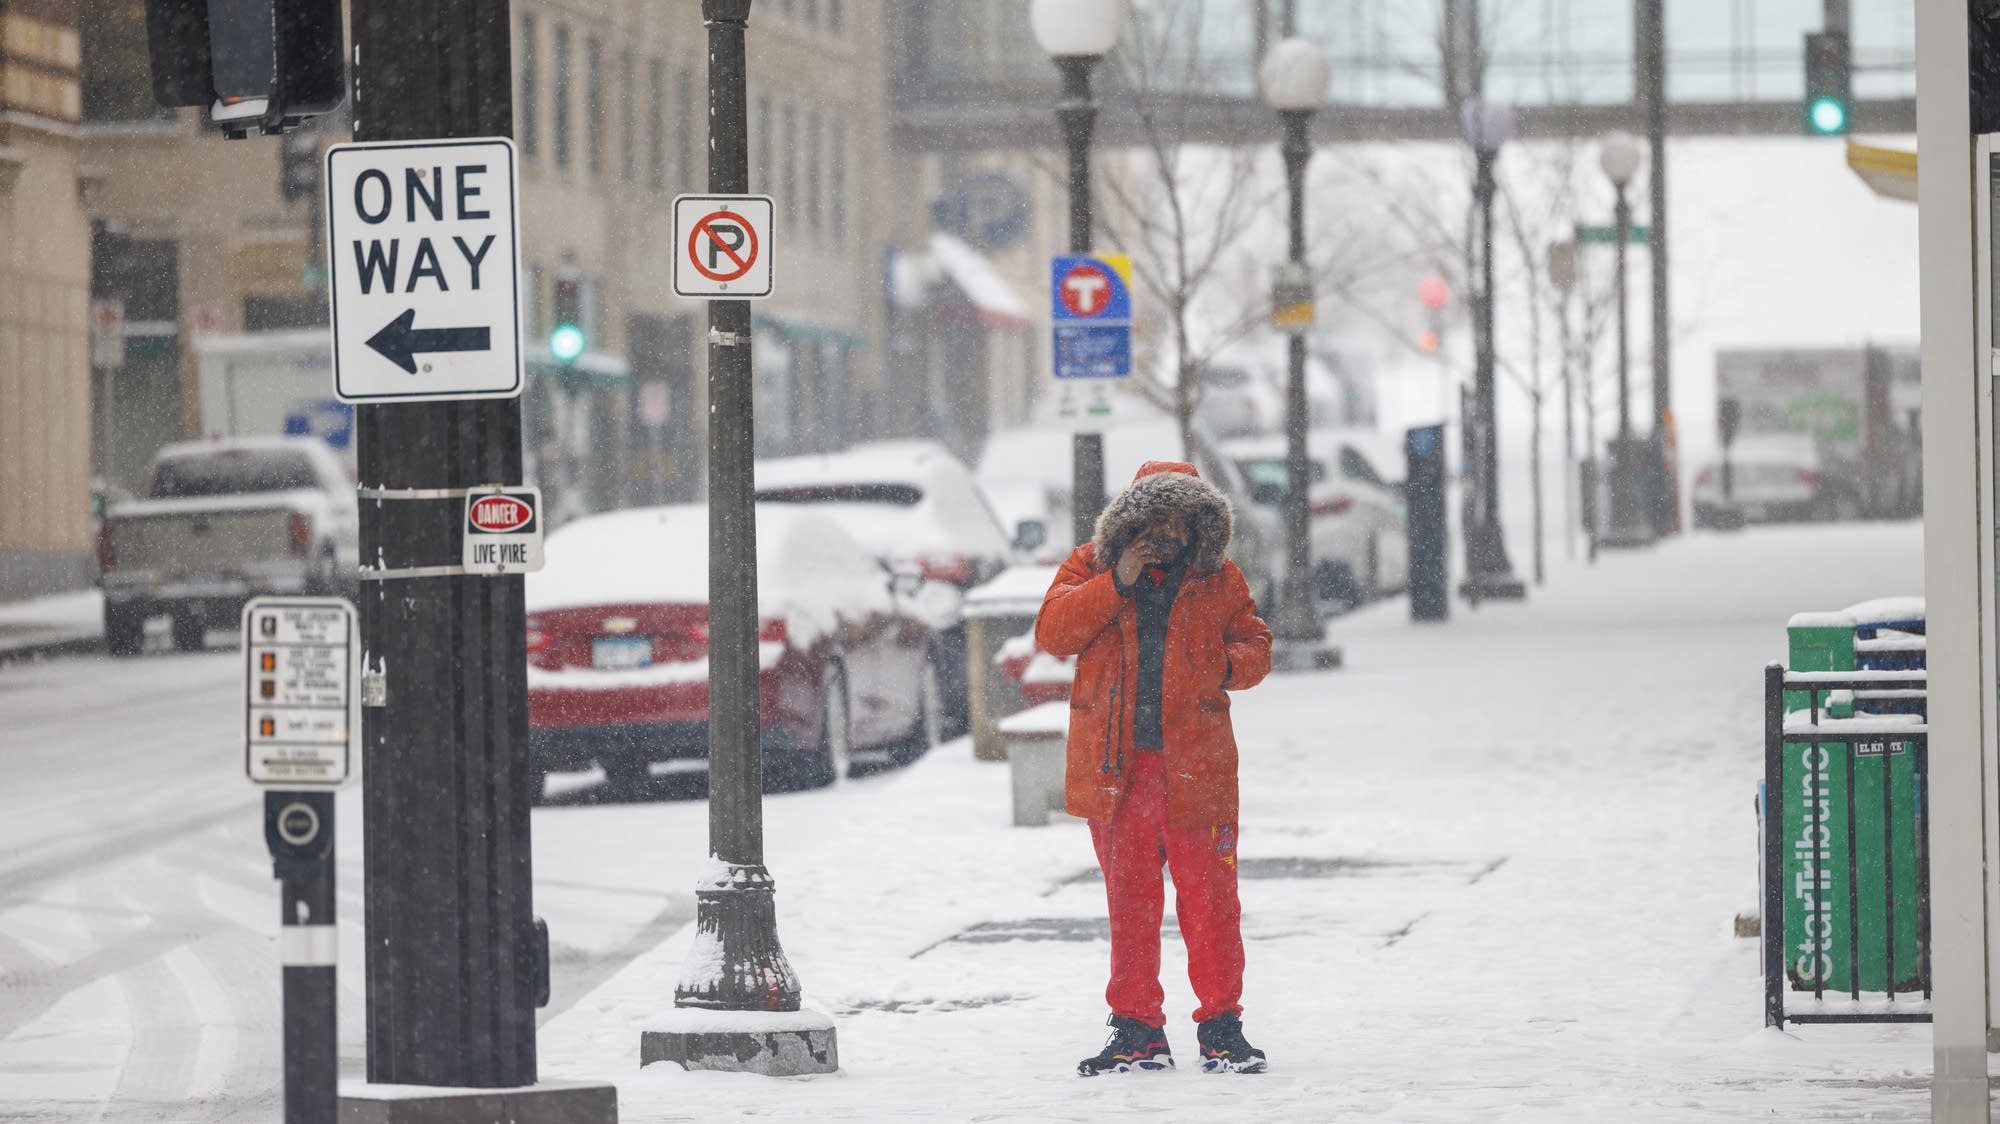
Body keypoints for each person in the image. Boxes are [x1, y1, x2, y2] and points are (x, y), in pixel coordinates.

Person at [1035, 461, 1274, 1076]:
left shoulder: (1219, 578)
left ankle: (1222, 1027)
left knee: (1211, 902)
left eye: (1180, 518)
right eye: (1154, 517)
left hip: (1197, 769)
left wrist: (1222, 665)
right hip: (1118, 772)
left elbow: (1256, 646)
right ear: (1131, 518)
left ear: (1200, 522)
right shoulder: (1089, 566)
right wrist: (1117, 579)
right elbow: (1054, 634)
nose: (1166, 531)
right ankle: (1138, 1029)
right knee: (1130, 903)